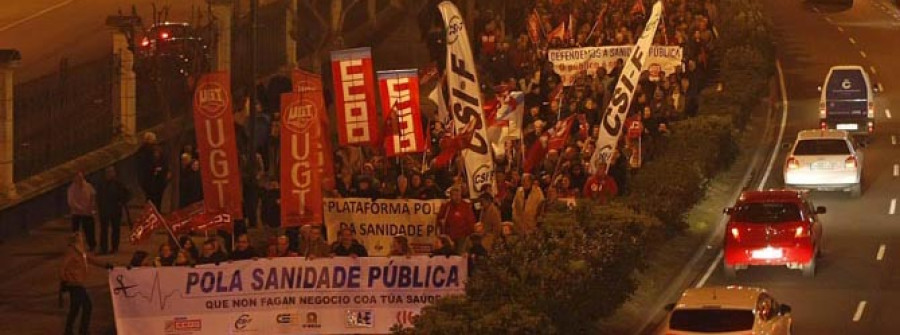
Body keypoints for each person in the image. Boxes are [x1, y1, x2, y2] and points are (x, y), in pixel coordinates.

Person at [59, 232, 106, 335]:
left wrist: (106, 265)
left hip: (78, 283)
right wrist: (66, 280)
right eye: (81, 239)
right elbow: (62, 267)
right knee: (87, 306)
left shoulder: (80, 251)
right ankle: (82, 331)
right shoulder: (71, 252)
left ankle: (69, 331)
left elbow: (90, 259)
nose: (83, 240)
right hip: (74, 284)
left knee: (75, 308)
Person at [95, 167, 130, 255]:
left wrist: (121, 202)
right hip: (104, 210)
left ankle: (114, 247)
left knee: (115, 229)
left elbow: (127, 194)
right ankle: (104, 248)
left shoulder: (119, 184)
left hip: (115, 211)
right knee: (104, 230)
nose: (109, 174)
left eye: (111, 172)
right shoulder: (101, 184)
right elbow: (98, 197)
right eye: (108, 172)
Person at [436, 187, 477, 254]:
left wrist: (468, 233)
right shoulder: (446, 206)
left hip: (462, 237)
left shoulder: (466, 206)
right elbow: (439, 220)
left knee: (459, 256)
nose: (457, 197)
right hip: (449, 237)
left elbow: (471, 221)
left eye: (458, 195)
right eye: (455, 195)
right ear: (451, 196)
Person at [67, 172, 97, 252]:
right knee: (75, 231)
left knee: (89, 230)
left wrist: (91, 206)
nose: (80, 180)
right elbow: (71, 201)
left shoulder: (88, 186)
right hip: (76, 213)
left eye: (81, 178)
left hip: (87, 212)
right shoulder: (71, 189)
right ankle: (75, 247)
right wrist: (80, 208)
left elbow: (93, 195)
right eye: (78, 178)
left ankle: (92, 245)